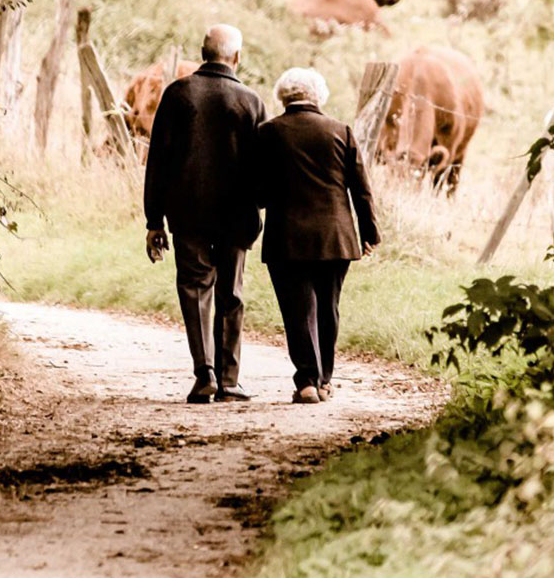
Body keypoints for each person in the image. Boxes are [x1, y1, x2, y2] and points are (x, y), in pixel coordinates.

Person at [144, 24, 266, 404]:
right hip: (237, 215)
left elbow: (158, 162)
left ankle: (205, 374)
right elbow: (262, 167)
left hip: (187, 212)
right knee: (231, 293)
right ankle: (230, 381)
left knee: (195, 290)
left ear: (202, 52)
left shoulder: (178, 94)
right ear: (237, 57)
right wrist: (259, 206)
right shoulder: (250, 101)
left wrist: (154, 221)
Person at [257, 67, 380, 404]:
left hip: (287, 237)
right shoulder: (341, 131)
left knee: (298, 310)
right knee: (329, 307)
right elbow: (362, 189)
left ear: (283, 95)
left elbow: (257, 190)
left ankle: (307, 381)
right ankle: (325, 380)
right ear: (318, 96)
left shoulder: (268, 133)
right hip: (336, 236)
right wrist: (369, 232)